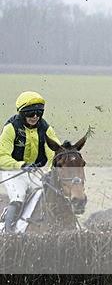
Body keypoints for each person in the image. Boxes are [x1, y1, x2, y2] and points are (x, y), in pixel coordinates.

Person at [0, 91, 61, 232]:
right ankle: (8, 233)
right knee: (19, 197)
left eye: (39, 113)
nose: (35, 117)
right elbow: (2, 156)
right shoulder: (11, 128)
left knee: (51, 194)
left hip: (34, 171)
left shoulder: (46, 129)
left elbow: (54, 153)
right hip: (13, 171)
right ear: (21, 113)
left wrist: (51, 172)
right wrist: (21, 165)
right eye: (30, 113)